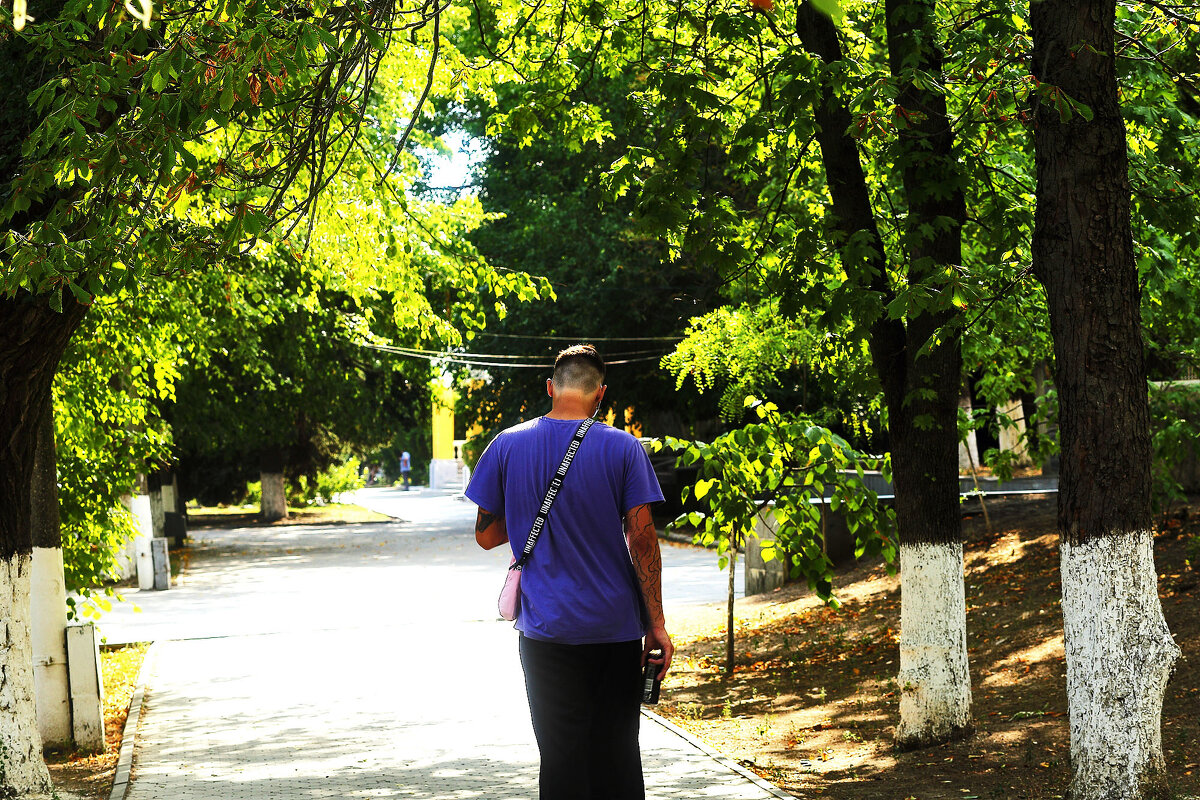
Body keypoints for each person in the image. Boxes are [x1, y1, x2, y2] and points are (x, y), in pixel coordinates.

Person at [466, 344, 673, 800]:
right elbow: (642, 540)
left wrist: (528, 512)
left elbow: (485, 535)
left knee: (560, 758)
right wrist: (656, 623)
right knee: (617, 756)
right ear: (600, 393)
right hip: (614, 629)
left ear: (550, 388)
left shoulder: (506, 444)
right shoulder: (624, 448)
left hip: (546, 631)